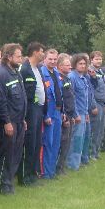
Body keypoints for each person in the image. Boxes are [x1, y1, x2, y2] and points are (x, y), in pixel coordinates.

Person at [0, 43, 27, 195]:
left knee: (16, 154)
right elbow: (2, 101)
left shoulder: (16, 72)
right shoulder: (2, 74)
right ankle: (3, 184)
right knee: (6, 154)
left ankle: (9, 181)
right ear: (9, 57)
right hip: (9, 122)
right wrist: (7, 122)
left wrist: (23, 118)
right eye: (18, 56)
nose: (21, 59)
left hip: (19, 120)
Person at [18, 43, 46, 185]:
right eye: (42, 51)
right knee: (29, 143)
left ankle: (33, 173)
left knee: (36, 142)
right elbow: (23, 93)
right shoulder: (25, 69)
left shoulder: (38, 69)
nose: (43, 54)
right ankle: (24, 176)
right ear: (35, 52)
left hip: (39, 109)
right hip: (30, 110)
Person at [67, 53, 96, 170]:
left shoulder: (83, 77)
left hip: (84, 113)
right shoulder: (72, 77)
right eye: (80, 63)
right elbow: (72, 97)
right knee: (76, 139)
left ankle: (79, 161)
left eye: (84, 64)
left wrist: (86, 113)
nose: (83, 66)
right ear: (74, 64)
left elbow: (85, 97)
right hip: (77, 114)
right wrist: (76, 114)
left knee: (83, 138)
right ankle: (72, 164)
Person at [39, 48, 63, 179]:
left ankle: (52, 171)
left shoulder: (57, 73)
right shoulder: (42, 74)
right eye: (50, 59)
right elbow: (42, 98)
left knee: (56, 143)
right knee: (47, 143)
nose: (53, 61)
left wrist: (62, 111)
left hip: (58, 112)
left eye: (55, 59)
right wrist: (46, 115)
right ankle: (45, 172)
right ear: (44, 59)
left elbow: (60, 94)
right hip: (49, 113)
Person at [56, 54, 76, 176]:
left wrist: (72, 115)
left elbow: (71, 98)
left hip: (70, 114)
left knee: (67, 143)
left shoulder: (67, 78)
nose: (70, 67)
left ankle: (62, 167)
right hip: (64, 117)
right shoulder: (59, 79)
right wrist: (64, 116)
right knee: (62, 143)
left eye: (70, 64)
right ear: (60, 66)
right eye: (67, 65)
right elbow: (61, 99)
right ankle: (58, 168)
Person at [88, 51, 105, 160]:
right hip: (96, 103)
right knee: (94, 130)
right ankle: (91, 153)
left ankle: (96, 152)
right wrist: (93, 106)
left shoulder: (100, 71)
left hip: (103, 103)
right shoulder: (90, 72)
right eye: (96, 59)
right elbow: (91, 90)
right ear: (91, 60)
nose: (99, 61)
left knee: (100, 130)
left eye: (100, 59)